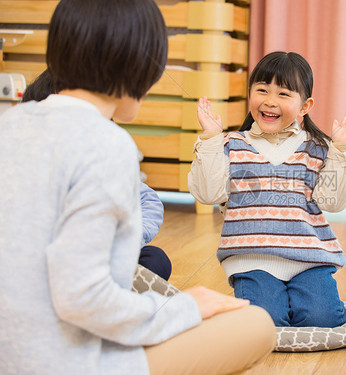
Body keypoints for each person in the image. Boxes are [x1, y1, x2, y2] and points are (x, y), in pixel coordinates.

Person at [0, 1, 275, 374]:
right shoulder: (106, 143)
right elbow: (81, 299)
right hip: (61, 361)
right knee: (255, 324)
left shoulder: (9, 123)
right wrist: (185, 307)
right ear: (135, 63)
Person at [188, 51, 346, 327]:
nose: (270, 101)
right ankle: (274, 300)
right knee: (267, 322)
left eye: (283, 94)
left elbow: (333, 201)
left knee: (322, 318)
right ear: (250, 94)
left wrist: (340, 149)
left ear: (305, 106)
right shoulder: (231, 144)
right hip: (252, 261)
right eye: (262, 90)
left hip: (309, 260)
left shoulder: (318, 148)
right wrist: (210, 138)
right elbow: (208, 194)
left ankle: (295, 296)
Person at [22, 69, 172, 280]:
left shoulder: (108, 149)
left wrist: (129, 239)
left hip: (101, 256)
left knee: (155, 259)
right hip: (57, 265)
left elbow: (147, 199)